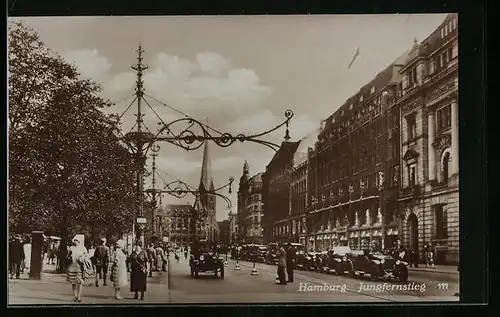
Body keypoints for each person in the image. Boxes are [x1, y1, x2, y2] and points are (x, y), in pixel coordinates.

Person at [66, 235, 90, 303]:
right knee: (73, 282)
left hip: (80, 268)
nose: (75, 242)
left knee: (80, 282)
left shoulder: (83, 248)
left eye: (77, 240)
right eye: (75, 240)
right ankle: (75, 296)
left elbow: (87, 256)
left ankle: (79, 296)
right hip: (72, 267)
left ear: (79, 241)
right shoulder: (71, 248)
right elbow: (68, 256)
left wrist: (83, 258)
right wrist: (69, 256)